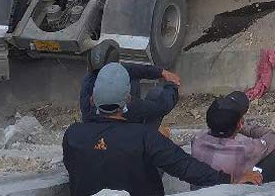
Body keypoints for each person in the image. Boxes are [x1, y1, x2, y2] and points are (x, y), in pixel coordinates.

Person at [63, 63, 261, 196]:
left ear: (92, 99)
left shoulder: (72, 135)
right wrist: (231, 180)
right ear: (128, 100)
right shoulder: (144, 138)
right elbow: (186, 168)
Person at [78, 40, 180, 127]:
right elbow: (160, 107)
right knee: (157, 94)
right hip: (126, 138)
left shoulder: (88, 82)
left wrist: (160, 72)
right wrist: (172, 86)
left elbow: (131, 69)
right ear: (127, 99)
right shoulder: (132, 107)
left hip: (100, 136)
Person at [191, 91, 275, 184]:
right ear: (240, 124)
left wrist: (234, 123)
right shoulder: (245, 149)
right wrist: (243, 128)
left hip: (202, 188)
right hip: (228, 188)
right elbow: (273, 136)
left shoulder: (197, 140)